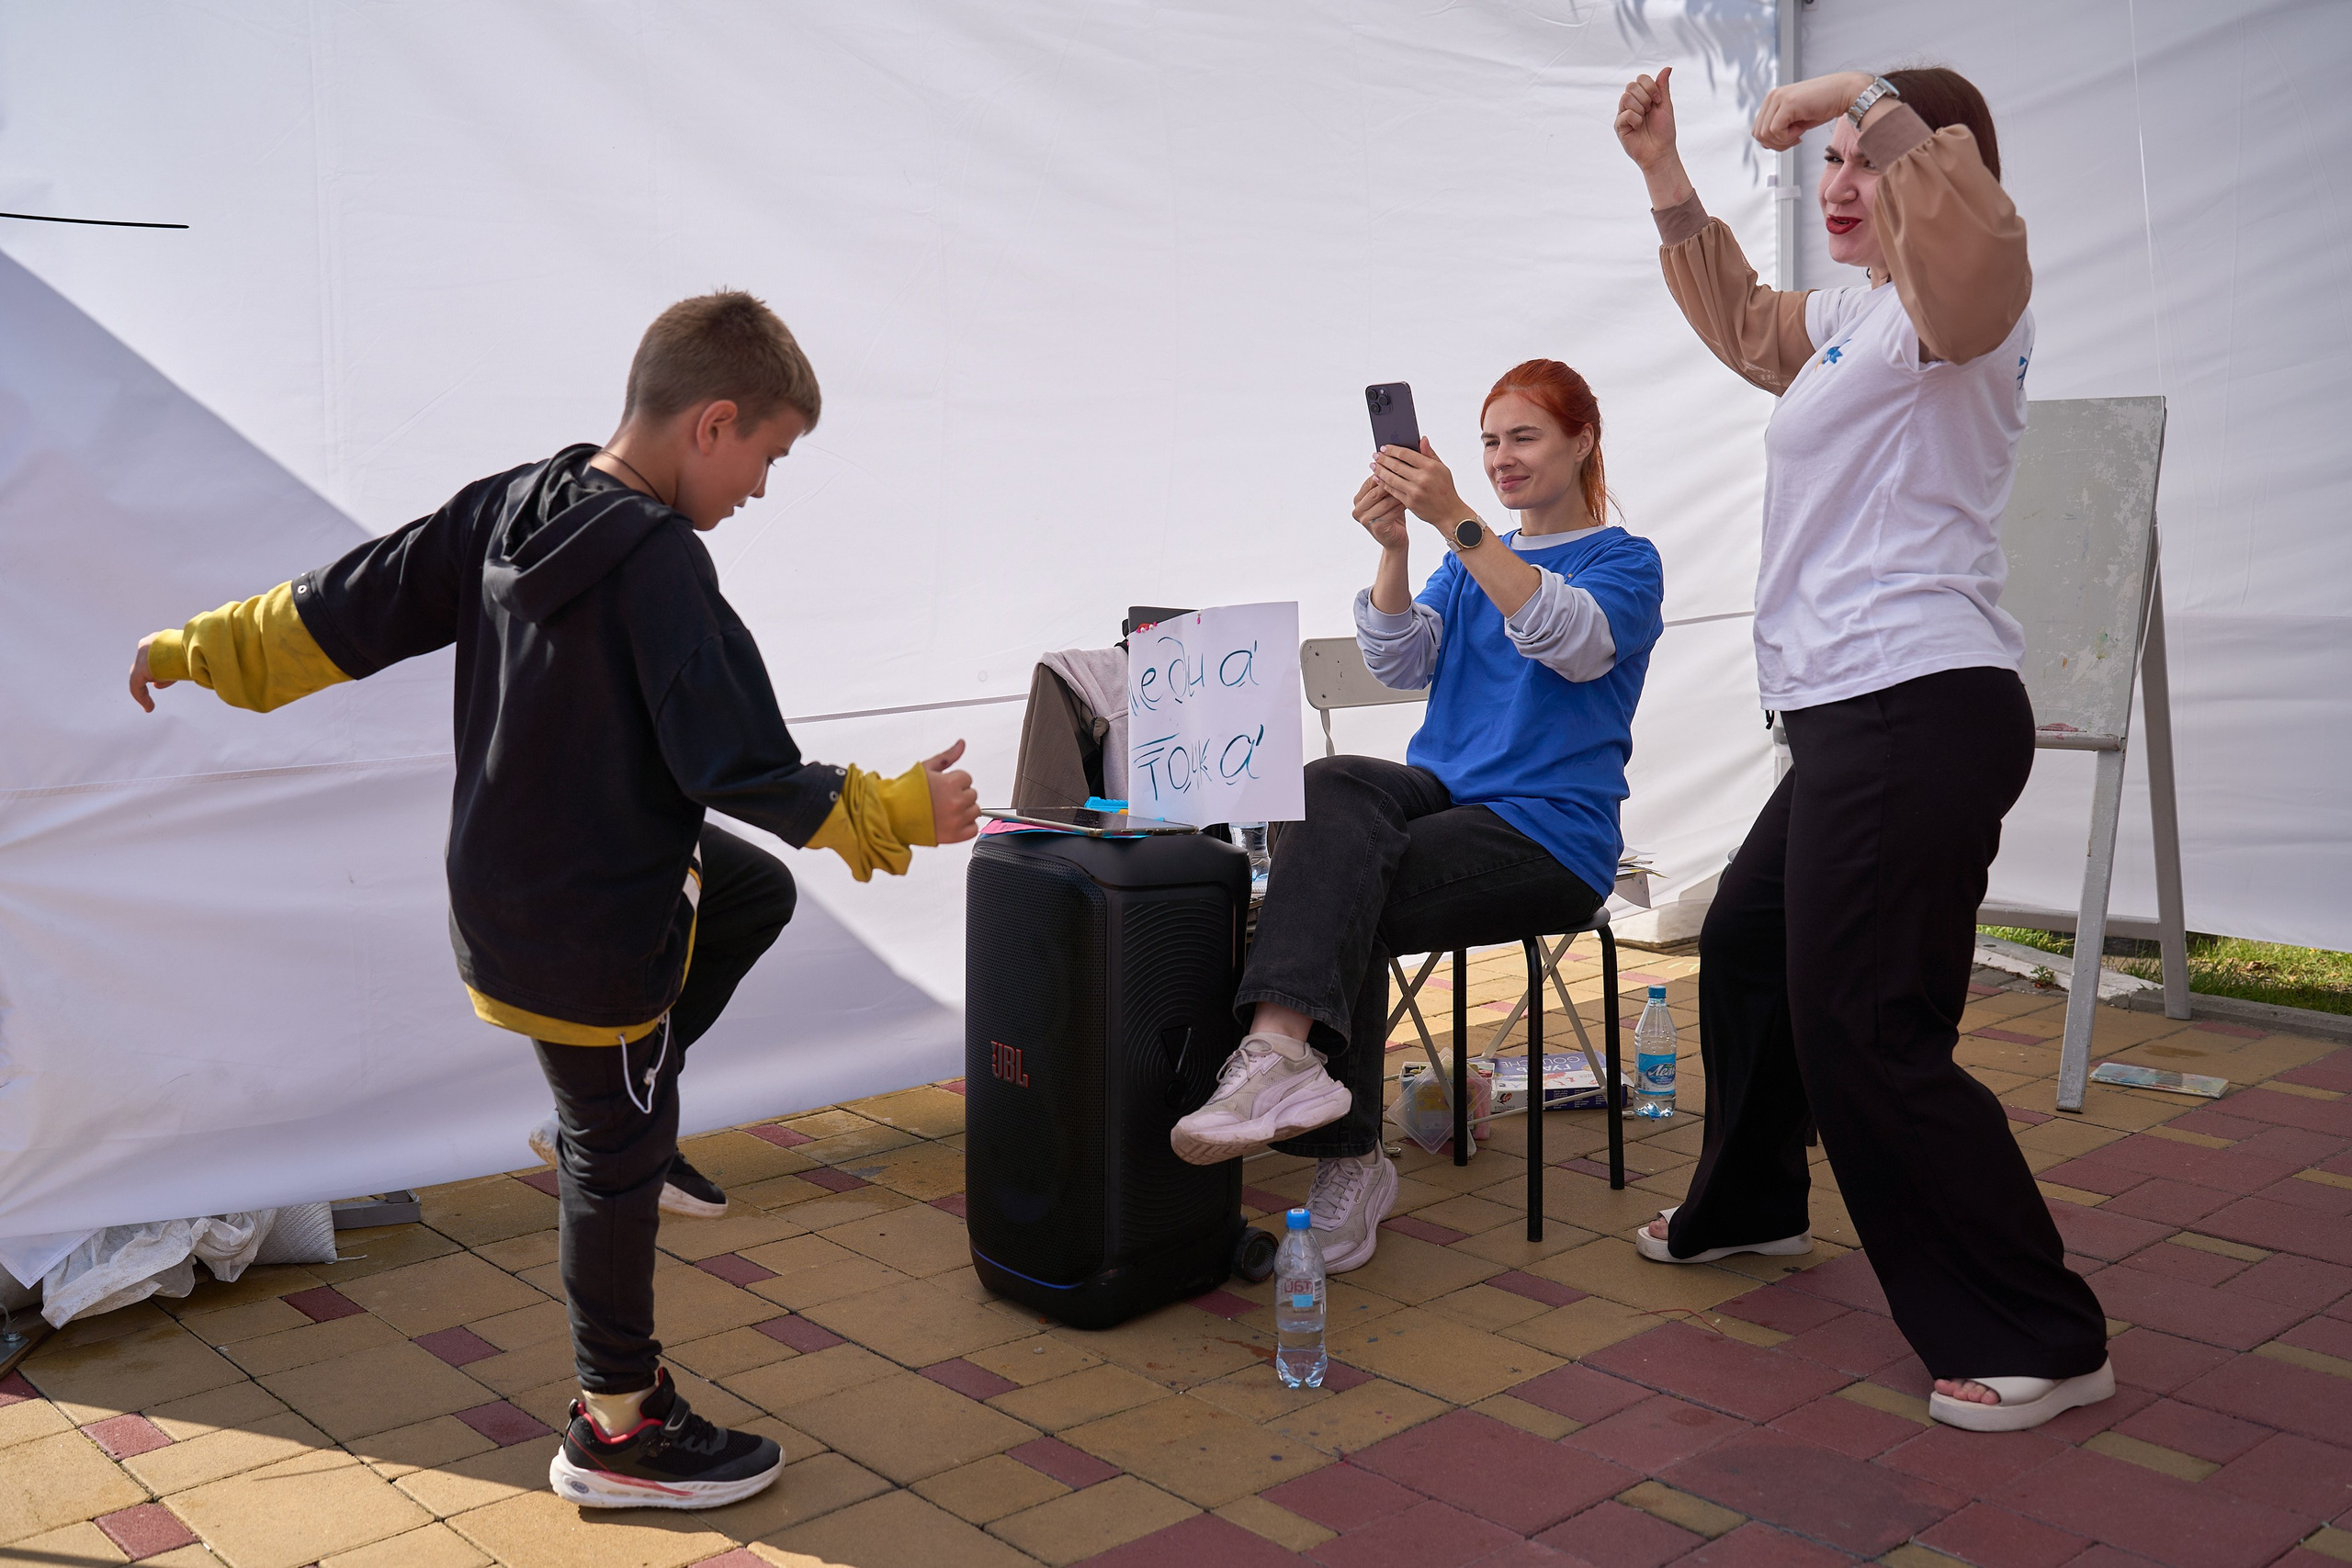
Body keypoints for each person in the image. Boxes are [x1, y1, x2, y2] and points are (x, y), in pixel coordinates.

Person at [126, 291, 981, 1507]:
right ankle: (618, 1429)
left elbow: (342, 606)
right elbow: (734, 760)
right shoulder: (661, 559)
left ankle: (620, 1109)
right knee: (611, 1167)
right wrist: (897, 810)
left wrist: (196, 646)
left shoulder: (511, 503)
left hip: (507, 892)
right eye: (770, 456)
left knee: (747, 894)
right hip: (592, 927)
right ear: (714, 422)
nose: (761, 488)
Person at [1613, 64, 2112, 1431]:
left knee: (1870, 1030)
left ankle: (2040, 1332)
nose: (1837, 183)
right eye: (1828, 160)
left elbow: (1976, 252)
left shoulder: (1967, 309)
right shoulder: (1861, 318)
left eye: (1866, 159)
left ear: (1937, 173)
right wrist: (1665, 173)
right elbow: (1744, 319)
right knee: (1746, 942)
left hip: (1916, 706)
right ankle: (1753, 1203)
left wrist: (1854, 89)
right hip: (1851, 720)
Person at [1169, 361, 1663, 1273]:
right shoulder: (1464, 557)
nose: (1501, 457)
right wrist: (1396, 548)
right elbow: (1399, 662)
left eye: (1524, 437)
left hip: (1550, 833)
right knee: (1327, 785)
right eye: (1489, 441)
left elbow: (1567, 640)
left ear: (1583, 441)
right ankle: (1280, 1054)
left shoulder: (1622, 560)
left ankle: (1348, 1156)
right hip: (1445, 795)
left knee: (1344, 896)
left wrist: (1454, 520)